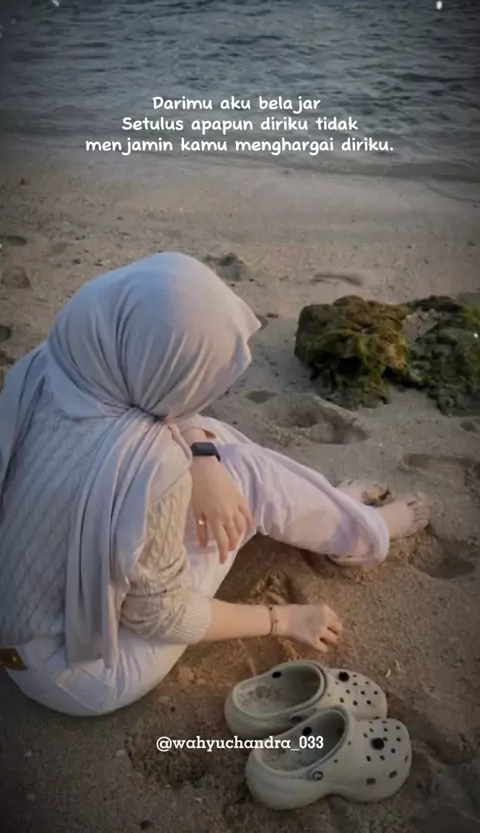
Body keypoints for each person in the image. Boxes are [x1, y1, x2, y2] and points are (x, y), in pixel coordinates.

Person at [0, 252, 429, 717]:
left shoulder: (54, 363)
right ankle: (363, 533)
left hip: (24, 630)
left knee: (212, 445)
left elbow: (164, 409)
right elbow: (160, 615)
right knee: (242, 472)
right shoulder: (150, 466)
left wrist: (203, 460)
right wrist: (282, 619)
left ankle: (328, 509)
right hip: (86, 669)